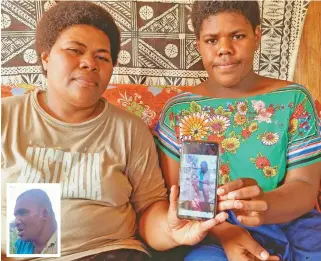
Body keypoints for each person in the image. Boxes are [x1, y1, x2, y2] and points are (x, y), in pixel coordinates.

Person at [1, 2, 265, 261]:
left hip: (112, 253)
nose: (89, 63)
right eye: (74, 50)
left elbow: (150, 210)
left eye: (102, 57)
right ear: (46, 57)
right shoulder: (6, 117)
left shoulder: (128, 130)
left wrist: (173, 231)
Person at [154, 1, 321, 261]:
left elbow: (305, 186)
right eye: (211, 40)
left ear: (257, 36)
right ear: (198, 44)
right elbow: (179, 199)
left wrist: (262, 207)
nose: (224, 50)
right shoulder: (179, 111)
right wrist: (226, 232)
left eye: (238, 36)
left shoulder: (293, 99)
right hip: (214, 231)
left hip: (292, 222)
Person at [13, 189, 57, 255]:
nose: (16, 222)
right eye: (15, 216)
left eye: (22, 213)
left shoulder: (67, 244)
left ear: (44, 213)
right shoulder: (20, 246)